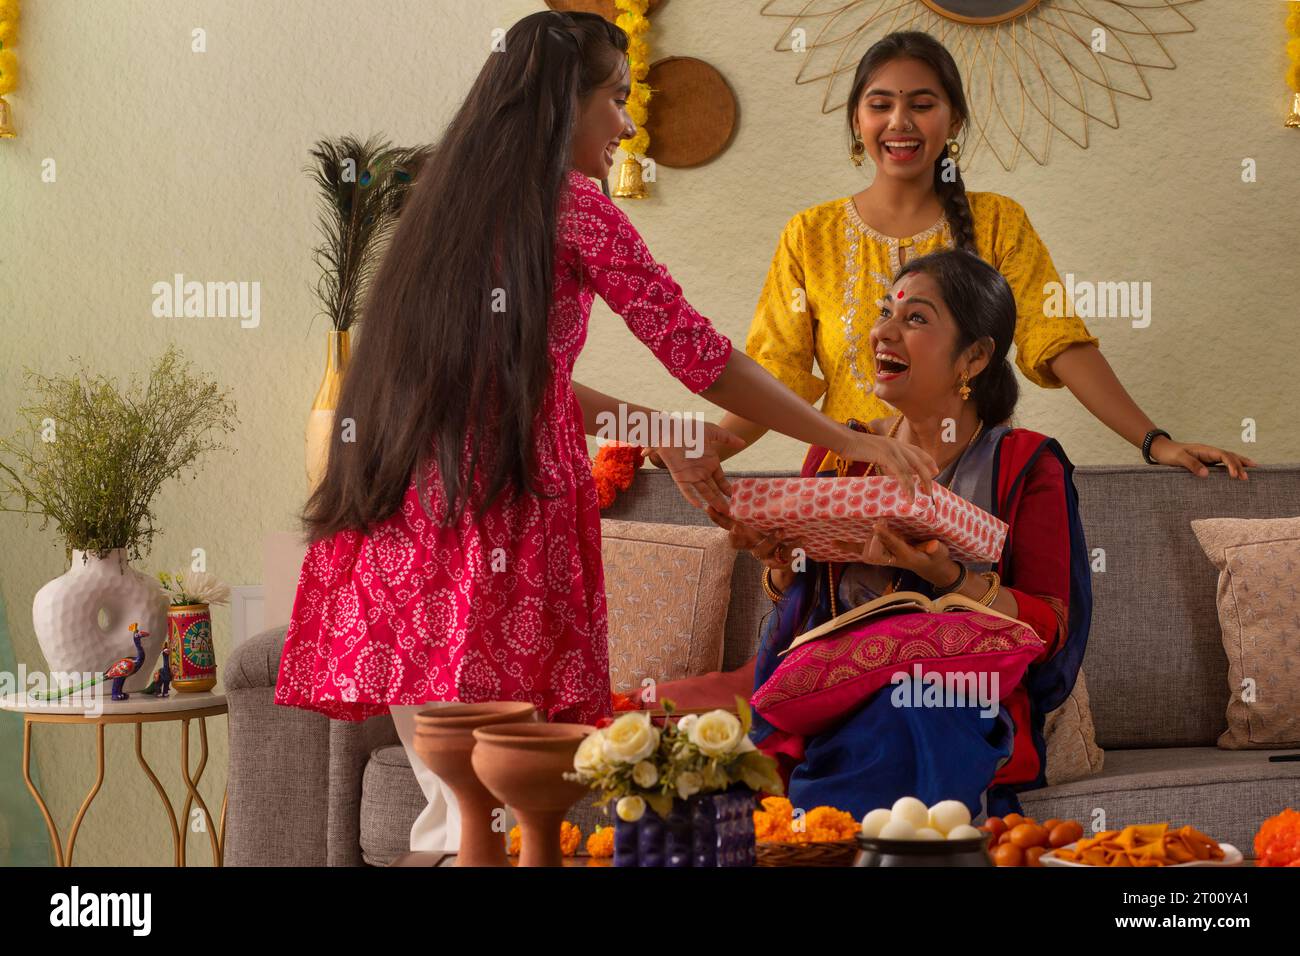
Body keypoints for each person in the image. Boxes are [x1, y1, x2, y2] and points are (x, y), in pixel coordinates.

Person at [273, 10, 936, 854]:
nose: (626, 124)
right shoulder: (574, 207)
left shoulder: (442, 205)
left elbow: (510, 380)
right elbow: (701, 356)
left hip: (403, 514)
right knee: (509, 805)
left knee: (454, 804)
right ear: (562, 105)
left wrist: (656, 428)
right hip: (504, 512)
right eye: (615, 100)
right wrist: (857, 441)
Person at [705, 30, 1254, 480]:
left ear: (955, 122)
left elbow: (1056, 337)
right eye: (880, 105)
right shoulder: (810, 233)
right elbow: (779, 373)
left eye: (922, 105)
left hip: (971, 479)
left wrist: (1154, 441)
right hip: (847, 484)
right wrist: (699, 450)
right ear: (857, 120)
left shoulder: (998, 223)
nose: (900, 122)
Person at [667, 248, 1093, 819]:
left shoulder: (1025, 464)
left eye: (915, 319)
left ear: (974, 357)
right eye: (883, 313)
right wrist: (779, 561)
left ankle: (830, 836)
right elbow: (803, 601)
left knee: (907, 711)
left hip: (953, 694)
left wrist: (947, 576)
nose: (882, 333)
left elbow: (1050, 628)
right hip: (833, 684)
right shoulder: (839, 451)